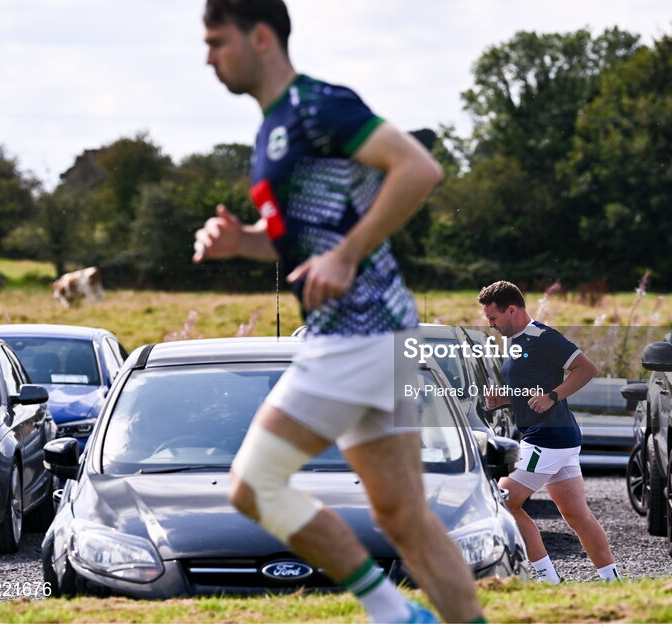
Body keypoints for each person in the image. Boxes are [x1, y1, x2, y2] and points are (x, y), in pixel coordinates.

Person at [194, 1, 483, 622]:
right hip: (390, 334)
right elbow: (298, 237)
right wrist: (239, 242)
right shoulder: (272, 128)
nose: (208, 57)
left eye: (217, 41)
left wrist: (348, 256)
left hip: (358, 334)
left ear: (262, 37)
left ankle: (391, 610)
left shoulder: (318, 105)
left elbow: (418, 167)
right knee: (403, 515)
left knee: (253, 484)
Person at [478, 281, 621, 584]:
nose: (490, 325)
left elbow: (587, 369)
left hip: (548, 439)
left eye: (493, 318)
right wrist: (506, 399)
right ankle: (613, 581)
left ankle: (547, 579)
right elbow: (533, 387)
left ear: (512, 310)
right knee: (576, 515)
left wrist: (553, 396)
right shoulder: (516, 341)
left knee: (503, 501)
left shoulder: (542, 337)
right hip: (559, 439)